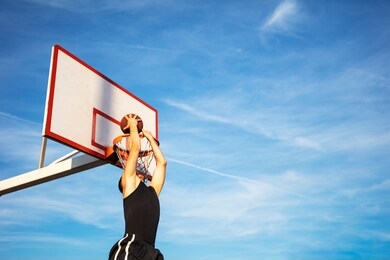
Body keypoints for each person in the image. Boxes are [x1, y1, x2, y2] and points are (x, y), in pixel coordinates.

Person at [108, 114, 167, 260]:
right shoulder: (129, 185)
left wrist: (151, 140)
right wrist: (133, 125)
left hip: (152, 252)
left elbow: (162, 163)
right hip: (132, 246)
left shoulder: (152, 191)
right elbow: (135, 148)